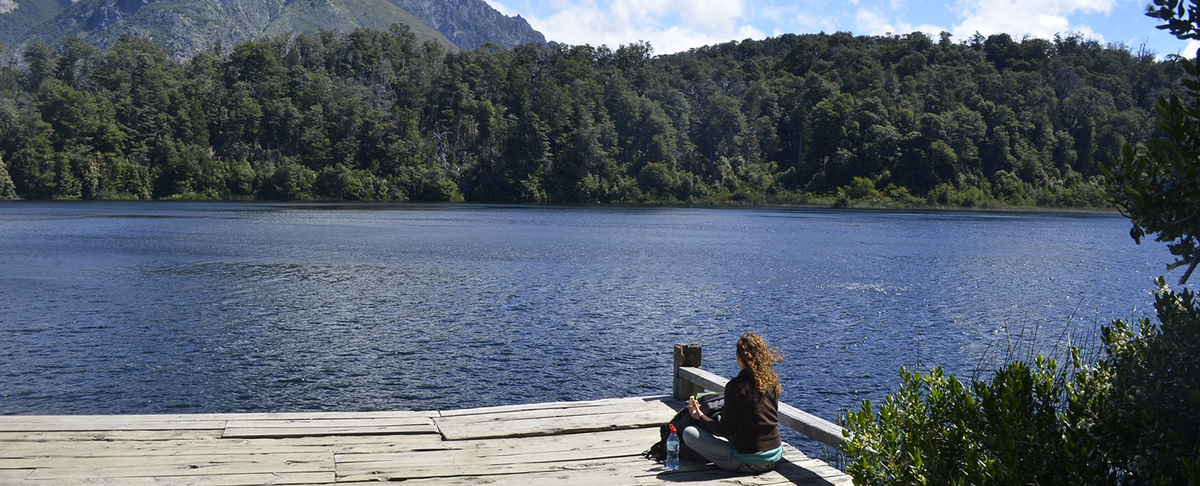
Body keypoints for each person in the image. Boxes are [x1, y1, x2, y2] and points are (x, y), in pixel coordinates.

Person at [684, 332, 783, 473]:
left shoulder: (735, 386)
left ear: (739, 357)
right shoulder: (771, 383)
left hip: (747, 462)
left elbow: (725, 430)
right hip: (775, 457)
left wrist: (699, 416)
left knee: (689, 433)